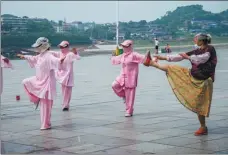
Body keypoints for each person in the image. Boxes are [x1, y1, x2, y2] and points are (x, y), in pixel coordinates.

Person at [143, 34, 217, 136]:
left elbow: (201, 59)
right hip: (192, 75)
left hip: (204, 81)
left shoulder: (210, 49)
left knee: (200, 104)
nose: (194, 40)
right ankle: (151, 63)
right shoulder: (197, 50)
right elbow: (179, 57)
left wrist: (188, 57)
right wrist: (163, 57)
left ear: (202, 41)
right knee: (172, 69)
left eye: (196, 39)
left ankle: (203, 127)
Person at [17, 37, 65, 130]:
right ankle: (45, 123)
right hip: (40, 81)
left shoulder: (49, 55)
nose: (36, 49)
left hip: (47, 83)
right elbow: (34, 58)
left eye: (38, 47)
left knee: (46, 105)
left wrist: (62, 60)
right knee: (26, 82)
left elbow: (57, 62)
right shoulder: (41, 55)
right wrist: (24, 56)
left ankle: (45, 124)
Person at [111, 40, 146, 117]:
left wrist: (152, 59)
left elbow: (144, 58)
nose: (123, 47)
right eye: (123, 46)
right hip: (122, 76)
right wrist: (113, 56)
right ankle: (124, 95)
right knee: (114, 85)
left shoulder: (134, 55)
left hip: (131, 77)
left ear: (130, 46)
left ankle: (129, 111)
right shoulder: (123, 55)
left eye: (125, 46)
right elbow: (116, 60)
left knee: (130, 95)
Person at [50, 41, 81, 111]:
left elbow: (78, 58)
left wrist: (75, 53)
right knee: (64, 90)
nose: (61, 48)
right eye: (60, 47)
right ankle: (65, 104)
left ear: (66, 47)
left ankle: (66, 105)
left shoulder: (70, 54)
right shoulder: (59, 53)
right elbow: (51, 53)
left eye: (62, 47)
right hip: (61, 75)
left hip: (69, 75)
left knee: (68, 90)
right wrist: (44, 51)